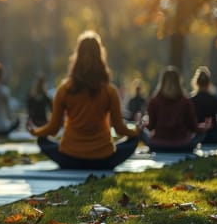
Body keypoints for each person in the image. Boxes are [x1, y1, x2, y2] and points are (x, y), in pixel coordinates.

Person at [28, 31, 139, 169]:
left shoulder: (64, 89)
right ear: (100, 57)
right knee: (133, 140)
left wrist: (35, 132)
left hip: (69, 157)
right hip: (103, 159)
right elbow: (120, 129)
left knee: (42, 140)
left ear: (77, 56)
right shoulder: (110, 91)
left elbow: (53, 128)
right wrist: (136, 132)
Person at [140, 66, 207, 152]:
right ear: (179, 82)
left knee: (138, 131)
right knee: (202, 133)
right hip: (183, 145)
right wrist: (203, 127)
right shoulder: (186, 102)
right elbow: (193, 127)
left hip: (158, 145)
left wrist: (141, 126)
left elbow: (150, 126)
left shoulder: (154, 101)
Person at [190, 66, 217, 144]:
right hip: (213, 137)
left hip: (196, 136)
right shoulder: (216, 100)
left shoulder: (190, 101)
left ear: (196, 83)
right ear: (209, 83)